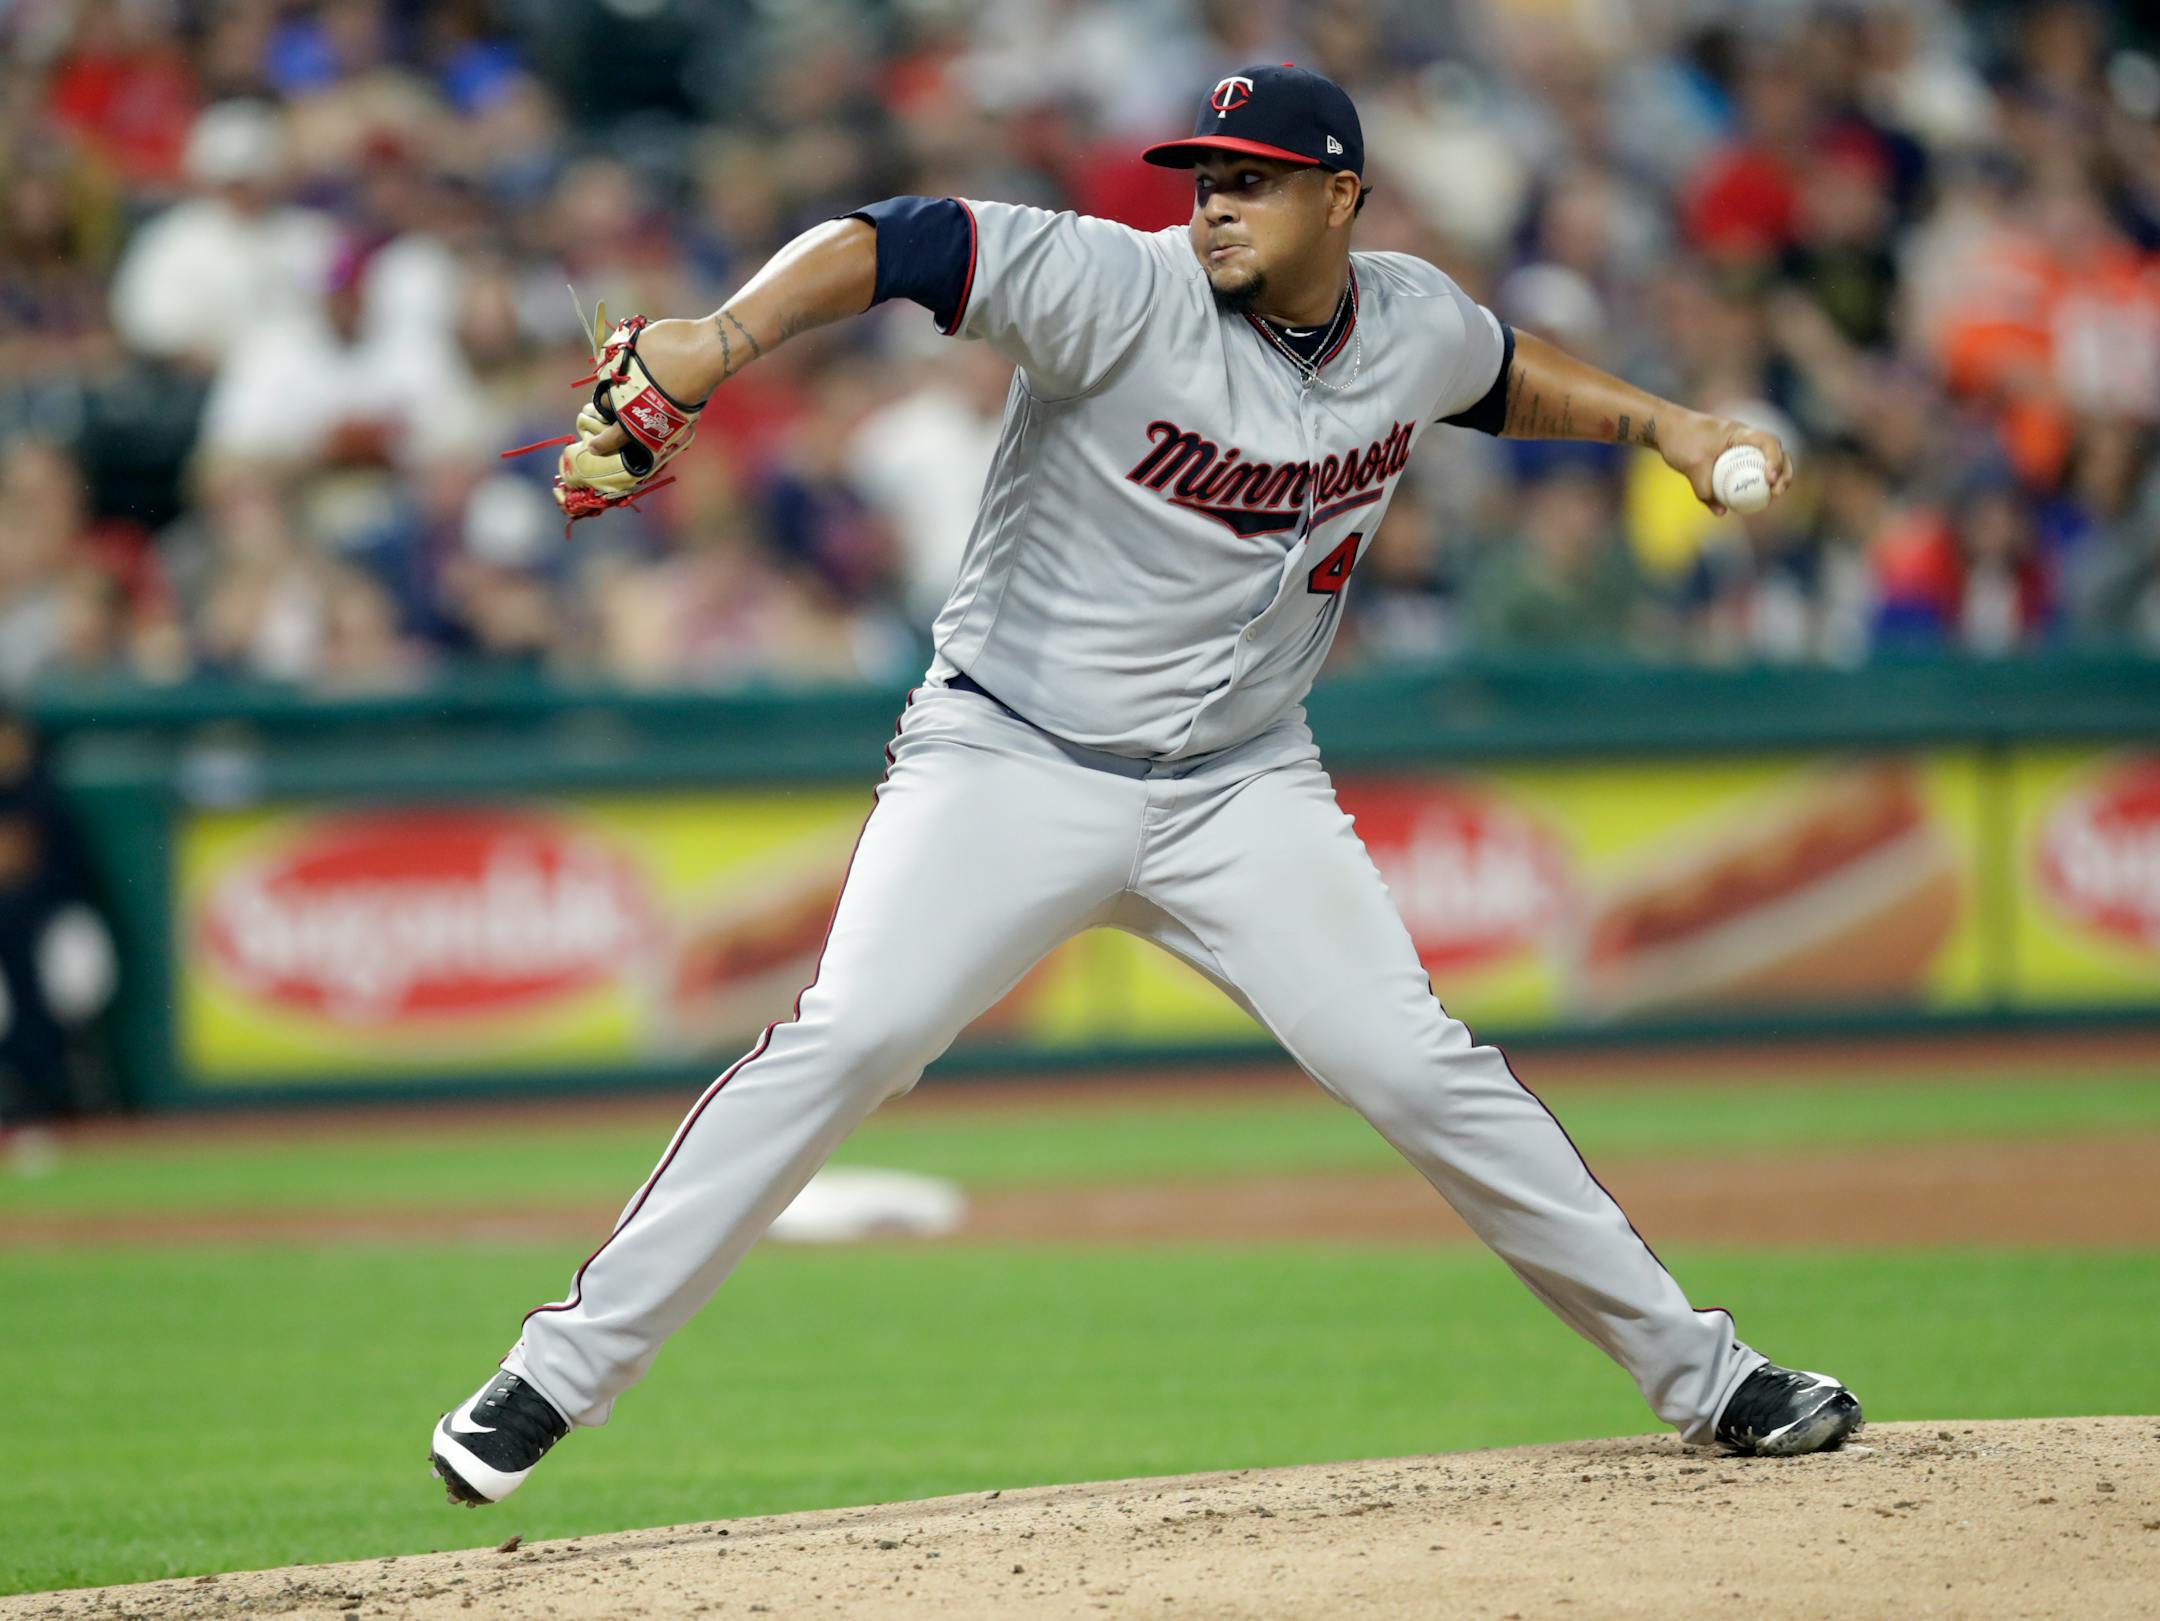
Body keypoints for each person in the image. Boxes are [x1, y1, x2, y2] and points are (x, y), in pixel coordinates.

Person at [430, 65, 1859, 1508]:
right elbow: (896, 238)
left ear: (1340, 196)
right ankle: (551, 1376)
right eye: (1205, 177)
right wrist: (722, 337)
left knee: (1420, 1068)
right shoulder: (1120, 283)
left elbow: (1497, 376)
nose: (1215, 202)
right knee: (853, 1034)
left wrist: (1666, 423)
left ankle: (1710, 1376)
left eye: (1251, 178)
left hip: (1243, 787)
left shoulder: (1410, 316)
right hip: (1010, 758)